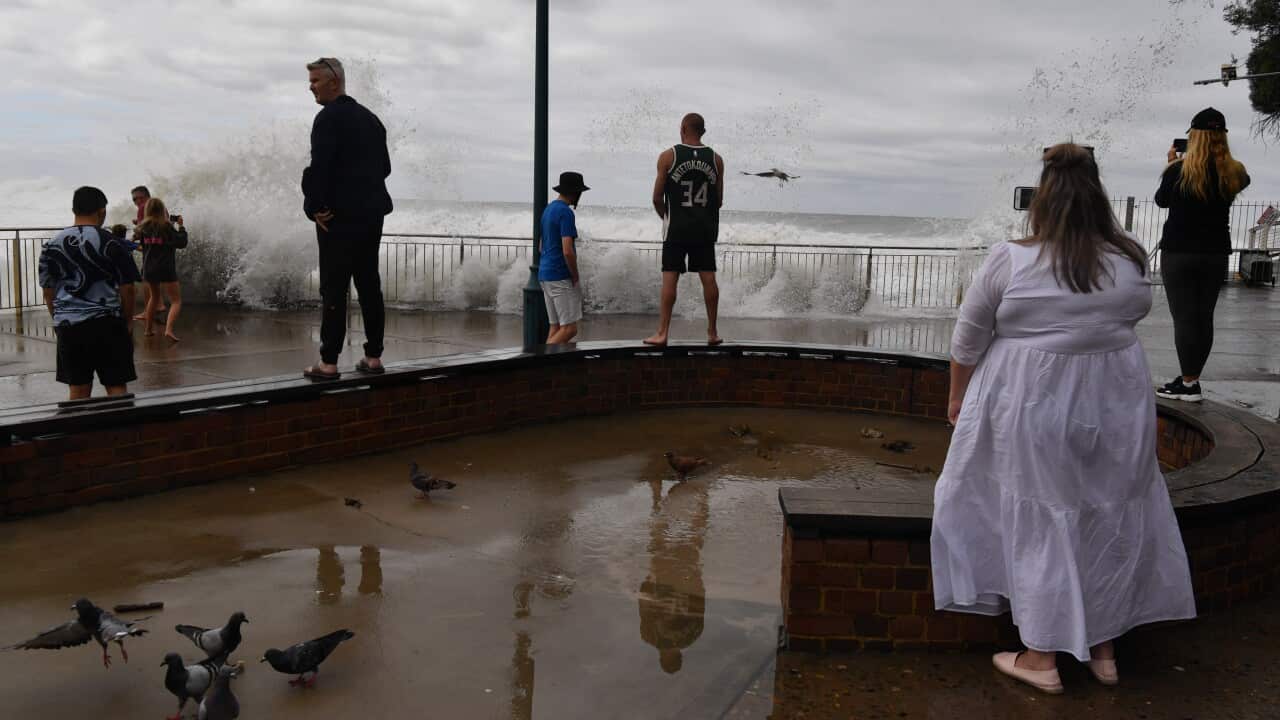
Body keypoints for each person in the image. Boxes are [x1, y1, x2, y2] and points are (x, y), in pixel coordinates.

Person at [930, 144, 1196, 694]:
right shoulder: (1128, 258)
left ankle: (1041, 655)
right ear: (1098, 196)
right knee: (1108, 513)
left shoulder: (1013, 258)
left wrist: (957, 399)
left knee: (1043, 516)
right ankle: (1104, 649)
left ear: (1042, 201)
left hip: (1033, 402)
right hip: (1117, 403)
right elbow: (1130, 316)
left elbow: (968, 339)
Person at [300, 56, 393, 380]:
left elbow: (320, 167)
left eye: (315, 81)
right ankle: (374, 357)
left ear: (334, 82)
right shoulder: (371, 119)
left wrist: (314, 206)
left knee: (334, 287)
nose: (310, 87)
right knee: (369, 284)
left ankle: (328, 363)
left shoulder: (327, 118)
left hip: (338, 218)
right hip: (371, 215)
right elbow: (385, 169)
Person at [1153, 107, 1250, 402]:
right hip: (1215, 253)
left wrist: (1172, 164)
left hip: (1179, 252)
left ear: (1193, 136)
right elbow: (1242, 183)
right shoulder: (1234, 172)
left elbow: (1161, 201)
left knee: (1184, 318)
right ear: (1222, 136)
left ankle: (1188, 383)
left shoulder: (1178, 171)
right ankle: (1191, 378)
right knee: (1203, 317)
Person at [38, 186, 141, 401]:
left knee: (78, 390)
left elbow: (48, 291)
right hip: (109, 324)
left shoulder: (51, 246)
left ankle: (79, 434)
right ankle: (120, 433)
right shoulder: (113, 243)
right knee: (116, 388)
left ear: (73, 209)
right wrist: (128, 322)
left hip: (70, 326)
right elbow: (128, 288)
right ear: (102, 211)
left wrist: (58, 319)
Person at [643, 113, 724, 347]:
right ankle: (712, 332)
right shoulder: (716, 160)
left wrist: (666, 218)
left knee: (670, 279)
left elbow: (657, 198)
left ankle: (662, 333)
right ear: (703, 131)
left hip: (676, 228)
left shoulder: (669, 156)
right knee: (708, 278)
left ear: (682, 128)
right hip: (704, 229)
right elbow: (718, 200)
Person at [538, 172, 589, 344]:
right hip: (560, 275)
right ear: (575, 192)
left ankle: (547, 367)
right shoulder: (565, 213)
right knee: (569, 329)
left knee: (556, 327)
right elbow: (567, 250)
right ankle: (540, 363)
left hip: (545, 275)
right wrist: (574, 274)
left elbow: (540, 246)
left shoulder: (548, 210)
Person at [134, 197, 188, 341]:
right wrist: (181, 227)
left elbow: (144, 248)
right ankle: (168, 330)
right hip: (165, 268)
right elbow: (181, 242)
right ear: (162, 210)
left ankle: (148, 329)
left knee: (154, 297)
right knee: (176, 300)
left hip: (149, 268)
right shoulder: (166, 226)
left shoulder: (142, 228)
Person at [130, 185, 167, 320]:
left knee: (147, 278)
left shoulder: (142, 208)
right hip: (163, 248)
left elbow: (142, 231)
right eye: (134, 200)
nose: (137, 202)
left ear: (145, 196)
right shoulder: (160, 208)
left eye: (138, 198)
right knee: (156, 277)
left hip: (151, 248)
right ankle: (159, 304)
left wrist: (134, 237)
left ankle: (148, 311)